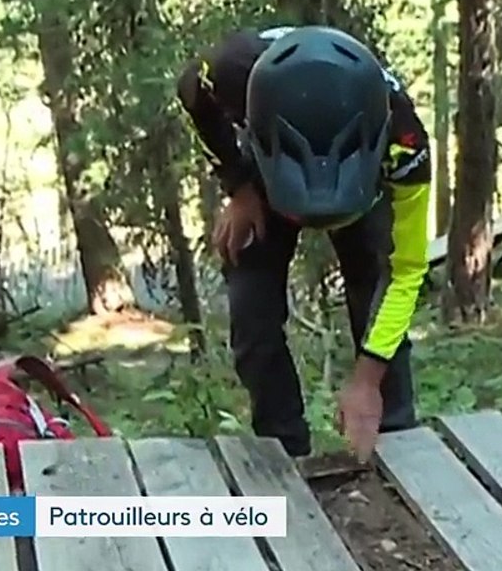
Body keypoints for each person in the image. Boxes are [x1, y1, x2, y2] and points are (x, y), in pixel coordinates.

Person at [175, 24, 430, 463]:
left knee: (374, 289)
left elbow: (406, 273)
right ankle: (284, 452)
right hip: (269, 171)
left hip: (363, 183)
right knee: (252, 306)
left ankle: (395, 442)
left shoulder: (404, 144)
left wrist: (367, 380)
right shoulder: (231, 73)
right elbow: (189, 91)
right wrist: (239, 184)